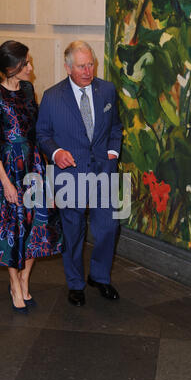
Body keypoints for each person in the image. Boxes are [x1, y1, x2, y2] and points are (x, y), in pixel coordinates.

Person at [36, 40, 122, 307]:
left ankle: (99, 277)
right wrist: (56, 152)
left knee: (109, 227)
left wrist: (113, 152)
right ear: (68, 67)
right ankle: (75, 283)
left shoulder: (107, 90)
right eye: (82, 66)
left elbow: (116, 127)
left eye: (91, 64)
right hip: (69, 172)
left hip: (103, 171)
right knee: (73, 231)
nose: (88, 70)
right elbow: (42, 134)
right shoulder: (52, 97)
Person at [0, 40, 63, 314]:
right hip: (8, 169)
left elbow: (37, 128)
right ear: (12, 68)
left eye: (29, 62)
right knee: (13, 229)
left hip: (33, 166)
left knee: (36, 226)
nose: (30, 67)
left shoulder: (28, 89)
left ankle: (26, 276)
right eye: (26, 63)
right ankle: (14, 282)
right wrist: (5, 183)